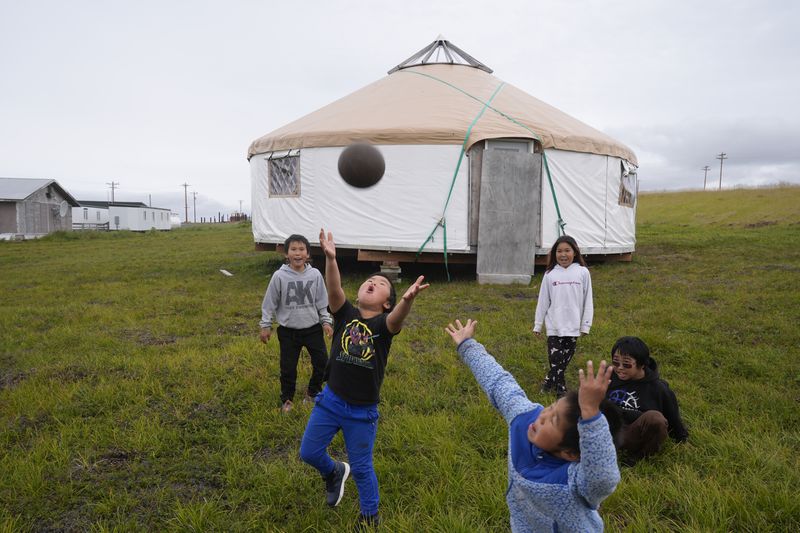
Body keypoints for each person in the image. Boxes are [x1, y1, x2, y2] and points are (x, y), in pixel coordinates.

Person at [299, 228, 429, 527]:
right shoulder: (345, 314)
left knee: (361, 467)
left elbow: (397, 319)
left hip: (361, 411)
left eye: (381, 283)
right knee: (308, 452)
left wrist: (406, 301)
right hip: (330, 400)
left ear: (386, 302)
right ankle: (333, 471)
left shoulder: (385, 324)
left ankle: (370, 515)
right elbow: (333, 290)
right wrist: (331, 259)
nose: (373, 282)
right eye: (370, 280)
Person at [445, 318, 622, 532]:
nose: (542, 416)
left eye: (553, 420)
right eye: (551, 407)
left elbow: (604, 479)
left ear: (569, 453)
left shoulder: (576, 481)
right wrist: (468, 346)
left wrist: (591, 417)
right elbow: (500, 383)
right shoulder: (525, 419)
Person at [259, 234, 333, 414]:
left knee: (323, 363)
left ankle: (313, 392)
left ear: (308, 254)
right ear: (286, 254)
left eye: (301, 249)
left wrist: (326, 321)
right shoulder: (279, 276)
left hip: (313, 329)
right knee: (288, 368)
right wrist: (265, 325)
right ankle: (287, 399)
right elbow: (270, 303)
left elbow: (322, 301)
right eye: (293, 249)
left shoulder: (315, 275)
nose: (298, 253)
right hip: (288, 331)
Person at [606, 336, 688, 464]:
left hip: (631, 434)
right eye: (616, 362)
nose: (620, 368)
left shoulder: (658, 388)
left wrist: (681, 436)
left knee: (655, 418)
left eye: (626, 364)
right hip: (604, 429)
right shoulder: (608, 375)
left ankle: (640, 456)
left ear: (642, 364)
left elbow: (672, 416)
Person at [533, 235, 594, 397]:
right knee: (556, 359)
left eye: (567, 250)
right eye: (559, 251)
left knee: (564, 360)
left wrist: (585, 324)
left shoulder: (582, 272)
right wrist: (538, 324)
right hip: (554, 326)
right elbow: (543, 301)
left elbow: (588, 300)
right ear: (554, 254)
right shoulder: (550, 274)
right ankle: (561, 388)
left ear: (575, 252)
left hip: (573, 326)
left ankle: (548, 381)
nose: (563, 254)